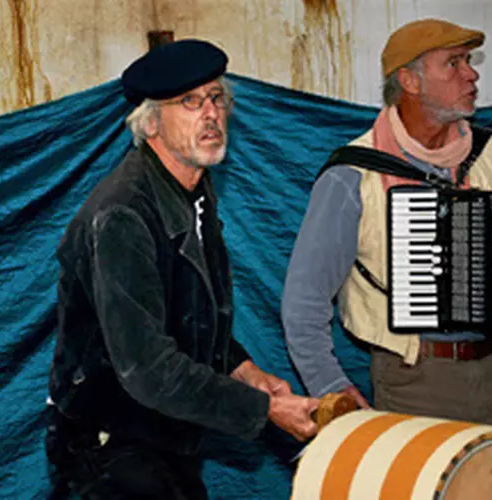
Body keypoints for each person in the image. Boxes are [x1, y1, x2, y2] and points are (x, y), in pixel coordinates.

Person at [282, 19, 492, 433]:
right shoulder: (352, 174)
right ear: (409, 80)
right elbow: (304, 301)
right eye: (454, 63)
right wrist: (330, 386)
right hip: (413, 377)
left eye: (468, 61)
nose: (471, 73)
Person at [45, 39, 319, 499]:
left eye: (216, 98)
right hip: (112, 447)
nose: (210, 113)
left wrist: (245, 370)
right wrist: (262, 410)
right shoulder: (123, 216)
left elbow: (189, 317)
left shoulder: (192, 192)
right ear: (150, 121)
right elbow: (147, 367)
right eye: (190, 102)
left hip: (164, 434)